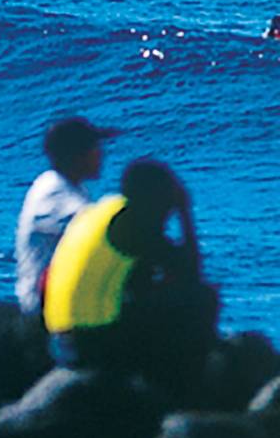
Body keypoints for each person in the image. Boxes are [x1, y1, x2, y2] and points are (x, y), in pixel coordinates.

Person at [43, 158, 219, 398]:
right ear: (153, 199)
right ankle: (183, 392)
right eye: (167, 201)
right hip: (92, 342)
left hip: (60, 340)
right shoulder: (135, 224)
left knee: (152, 288)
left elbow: (138, 278)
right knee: (202, 298)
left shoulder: (104, 209)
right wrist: (185, 212)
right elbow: (191, 275)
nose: (168, 210)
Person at [13, 117, 114, 316]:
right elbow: (97, 229)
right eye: (94, 147)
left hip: (62, 301)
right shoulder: (54, 193)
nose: (101, 153)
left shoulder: (71, 187)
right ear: (76, 156)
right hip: (45, 312)